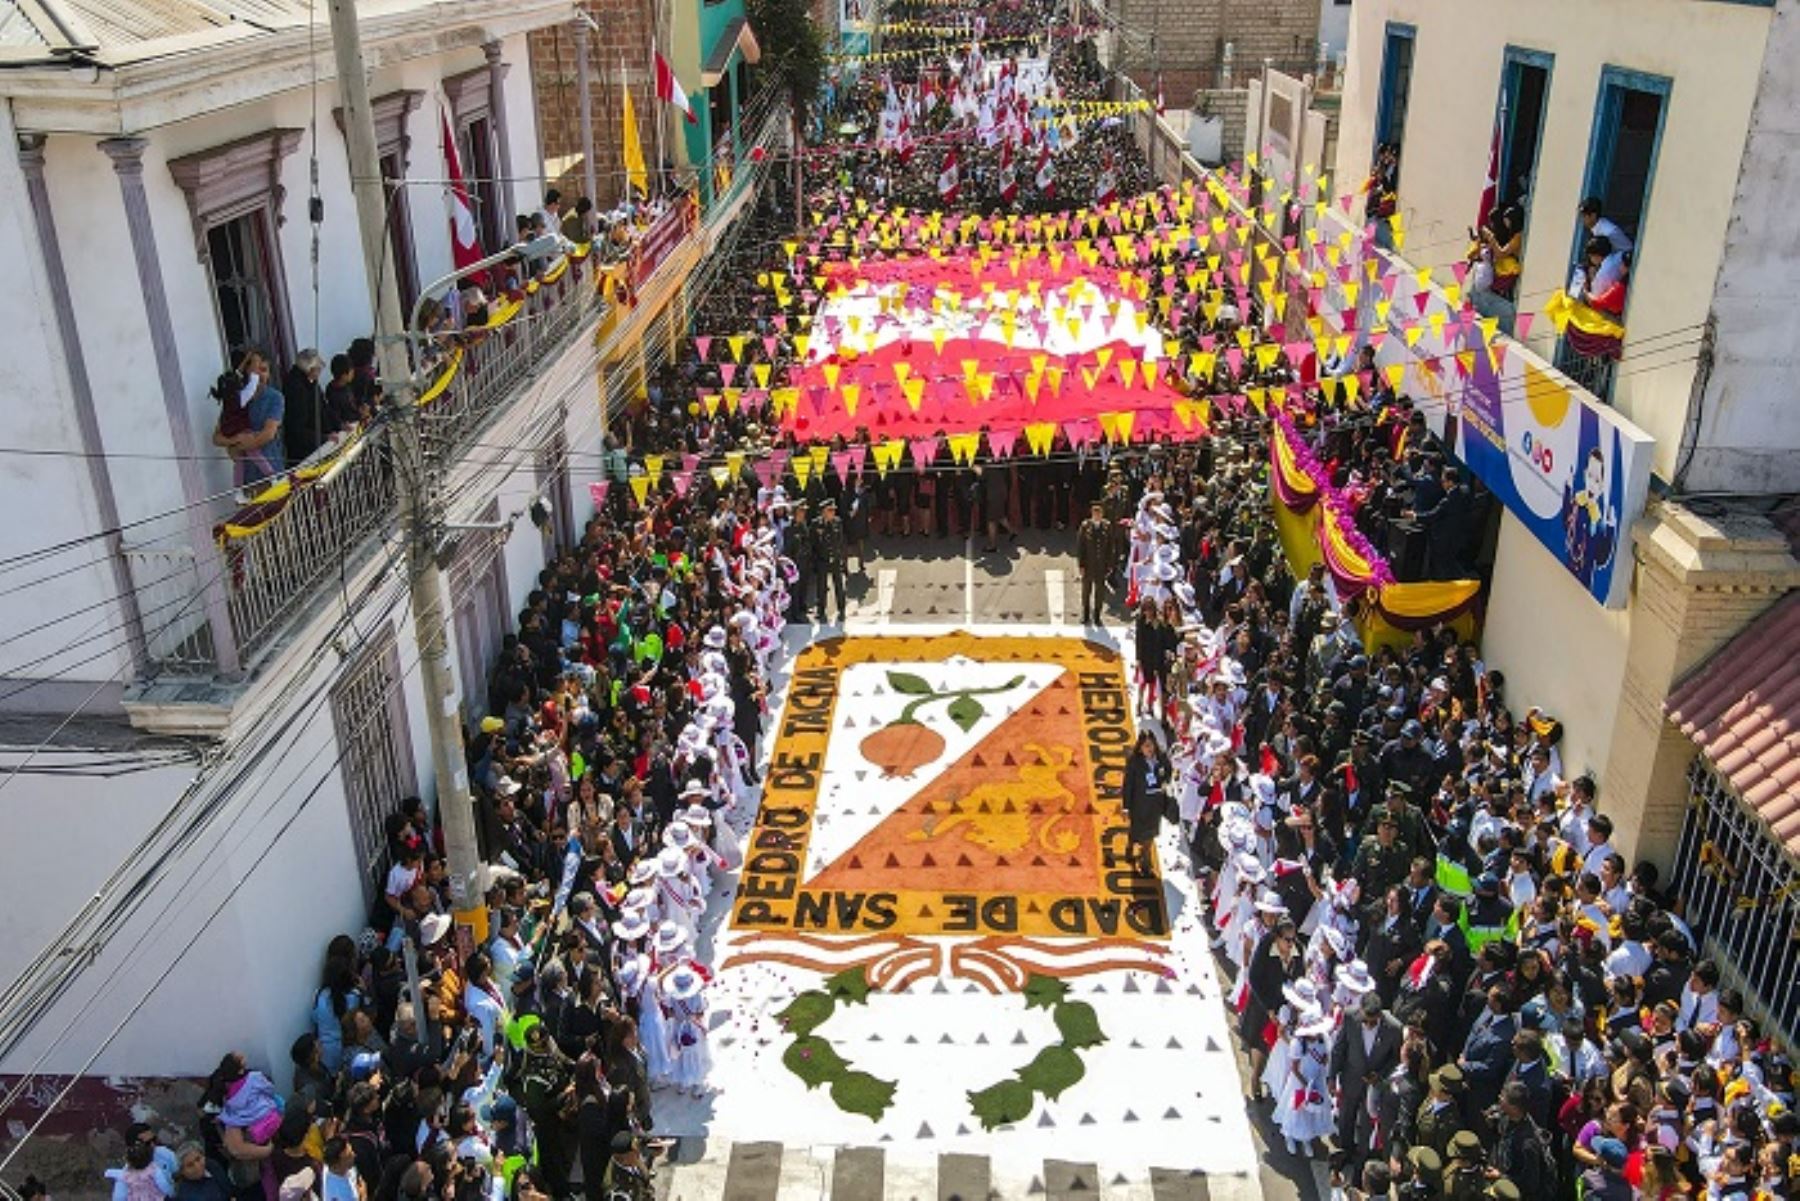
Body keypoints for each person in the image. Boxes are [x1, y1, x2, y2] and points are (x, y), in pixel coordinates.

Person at [1121, 731, 1170, 865]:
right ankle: (1130, 847)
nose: (1149, 749)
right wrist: (1126, 807)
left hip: (1155, 805)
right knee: (1136, 831)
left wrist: (1165, 782)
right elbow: (1128, 786)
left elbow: (1168, 772)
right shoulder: (1134, 763)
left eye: (1151, 745)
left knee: (1150, 834)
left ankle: (1145, 859)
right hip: (1139, 805)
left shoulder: (1161, 758)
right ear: (1140, 747)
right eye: (1146, 746)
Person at [1077, 501, 1111, 625]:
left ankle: (1097, 615)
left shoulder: (1107, 526)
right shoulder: (1085, 526)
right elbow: (1080, 547)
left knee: (1100, 591)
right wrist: (1081, 565)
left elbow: (1110, 547)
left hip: (1101, 565)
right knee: (1086, 590)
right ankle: (1086, 614)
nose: (1097, 516)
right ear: (1092, 514)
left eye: (1099, 513)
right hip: (1088, 564)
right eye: (1095, 513)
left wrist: (1109, 565)